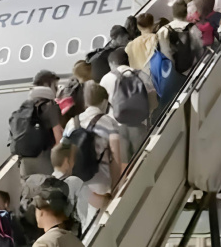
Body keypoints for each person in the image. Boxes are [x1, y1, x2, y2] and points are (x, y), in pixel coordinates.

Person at [64, 81, 131, 210]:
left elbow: (62, 153)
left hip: (77, 183)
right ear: (104, 102)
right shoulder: (109, 123)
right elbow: (116, 159)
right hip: (101, 182)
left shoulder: (72, 122)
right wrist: (116, 186)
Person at [100, 48, 156, 152]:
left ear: (112, 63)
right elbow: (153, 103)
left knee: (124, 165)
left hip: (116, 129)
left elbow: (101, 107)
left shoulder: (107, 78)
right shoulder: (143, 76)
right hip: (140, 127)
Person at [18, 70, 64, 177]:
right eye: (55, 87)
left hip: (25, 161)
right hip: (44, 159)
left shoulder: (25, 105)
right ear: (46, 85)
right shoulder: (50, 106)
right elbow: (58, 137)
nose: (56, 90)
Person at [157, 0, 204, 75]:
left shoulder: (163, 31)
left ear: (173, 13)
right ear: (187, 13)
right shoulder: (191, 27)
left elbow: (165, 54)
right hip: (192, 69)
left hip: (175, 74)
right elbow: (199, 48)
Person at [50, 142, 90, 226]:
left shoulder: (47, 184)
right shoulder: (74, 182)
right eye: (73, 160)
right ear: (66, 162)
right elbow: (85, 217)